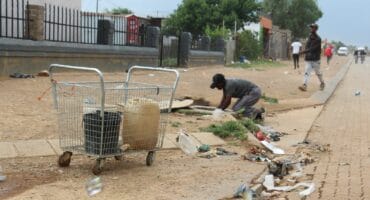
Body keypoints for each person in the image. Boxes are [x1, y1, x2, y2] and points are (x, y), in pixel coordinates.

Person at [298, 23, 325, 91]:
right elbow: (307, 46)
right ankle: (304, 85)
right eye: (311, 27)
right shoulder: (309, 37)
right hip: (309, 59)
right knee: (306, 72)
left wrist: (302, 52)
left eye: (312, 28)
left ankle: (322, 83)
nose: (311, 29)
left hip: (315, 59)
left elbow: (312, 49)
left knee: (318, 73)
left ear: (316, 29)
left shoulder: (318, 39)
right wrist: (305, 53)